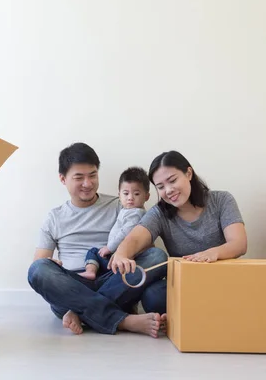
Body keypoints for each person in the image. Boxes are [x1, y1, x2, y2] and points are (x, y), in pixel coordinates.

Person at [27, 142, 168, 338]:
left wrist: (123, 254)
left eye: (92, 175)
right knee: (38, 270)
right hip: (74, 285)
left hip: (117, 280)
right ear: (62, 179)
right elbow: (39, 264)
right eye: (79, 177)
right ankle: (124, 321)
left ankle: (81, 313)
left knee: (157, 256)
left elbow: (144, 243)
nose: (88, 183)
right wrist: (53, 264)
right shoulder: (54, 217)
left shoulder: (121, 203)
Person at [109, 150, 248, 315]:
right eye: (160, 187)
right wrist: (121, 253)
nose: (168, 190)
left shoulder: (222, 200)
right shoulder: (159, 213)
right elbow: (137, 237)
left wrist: (212, 253)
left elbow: (239, 244)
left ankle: (204, 313)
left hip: (221, 281)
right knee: (153, 295)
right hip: (187, 285)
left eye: (172, 180)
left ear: (188, 173)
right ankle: (197, 314)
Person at [78, 166, 151, 281]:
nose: (130, 198)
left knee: (93, 252)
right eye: (126, 193)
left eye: (136, 194)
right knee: (95, 252)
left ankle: (92, 272)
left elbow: (125, 232)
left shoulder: (136, 214)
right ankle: (91, 272)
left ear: (146, 196)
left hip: (121, 256)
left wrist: (109, 247)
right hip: (115, 254)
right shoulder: (125, 210)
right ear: (119, 195)